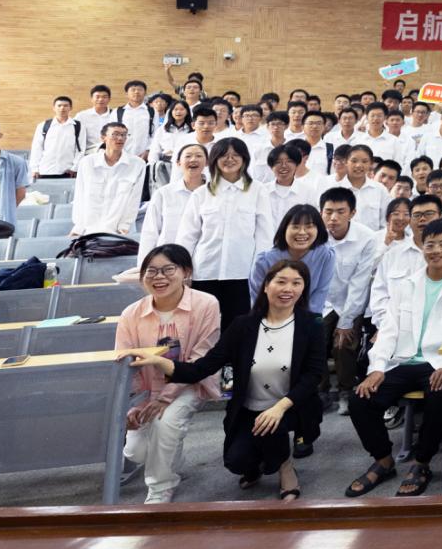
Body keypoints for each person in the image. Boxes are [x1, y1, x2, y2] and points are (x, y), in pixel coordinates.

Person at [128, 259, 329, 501]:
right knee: (237, 462)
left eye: (297, 283)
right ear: (266, 286)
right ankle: (260, 462)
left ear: (303, 289)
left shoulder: (312, 324)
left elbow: (313, 375)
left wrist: (279, 408)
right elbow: (203, 367)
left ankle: (285, 467)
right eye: (281, 282)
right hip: (248, 408)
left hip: (289, 406)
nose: (288, 289)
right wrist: (160, 362)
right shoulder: (243, 325)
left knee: (272, 430)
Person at [347, 218, 442, 498]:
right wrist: (377, 368)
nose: (436, 251)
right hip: (404, 360)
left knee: (438, 397)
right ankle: (383, 460)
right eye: (430, 245)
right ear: (422, 247)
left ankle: (422, 463)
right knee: (360, 398)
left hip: (441, 360)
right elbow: (389, 330)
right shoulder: (408, 283)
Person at [114, 245, 221, 504]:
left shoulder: (206, 304)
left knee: (166, 423)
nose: (158, 277)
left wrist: (165, 398)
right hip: (146, 390)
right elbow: (125, 363)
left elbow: (200, 358)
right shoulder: (131, 314)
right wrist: (134, 405)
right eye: (151, 271)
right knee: (136, 452)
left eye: (168, 270)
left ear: (186, 272)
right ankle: (171, 454)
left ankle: (161, 487)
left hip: (191, 383)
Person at [179, 138, 276, 330]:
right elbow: (187, 235)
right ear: (214, 160)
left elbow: (264, 235)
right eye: (224, 155)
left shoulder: (258, 191)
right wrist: (183, 268)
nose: (229, 159)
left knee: (238, 326)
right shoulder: (202, 193)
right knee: (203, 326)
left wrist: (261, 271)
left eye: (235, 155)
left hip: (242, 272)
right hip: (205, 271)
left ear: (244, 159)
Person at [319, 187, 381, 416]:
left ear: (352, 213)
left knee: (343, 342)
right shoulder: (315, 235)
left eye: (340, 211)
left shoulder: (366, 238)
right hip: (322, 302)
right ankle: (320, 391)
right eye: (328, 212)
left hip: (352, 302)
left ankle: (346, 390)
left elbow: (359, 283)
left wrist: (346, 321)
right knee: (313, 337)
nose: (333, 218)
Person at [248, 204, 335, 319]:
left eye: (309, 226)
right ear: (284, 229)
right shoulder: (264, 261)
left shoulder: (325, 255)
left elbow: (320, 293)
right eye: (295, 227)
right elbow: (258, 300)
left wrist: (306, 323)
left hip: (308, 318)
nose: (302, 232)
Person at [29, 95, 83, 180]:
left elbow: (80, 149)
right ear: (54, 108)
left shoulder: (78, 126)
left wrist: (75, 168)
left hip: (68, 172)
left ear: (71, 108)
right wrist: (35, 169)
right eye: (59, 105)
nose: (62, 108)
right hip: (45, 170)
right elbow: (37, 148)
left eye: (65, 106)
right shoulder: (43, 125)